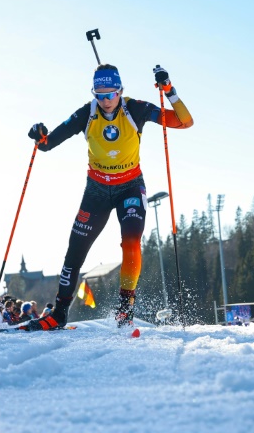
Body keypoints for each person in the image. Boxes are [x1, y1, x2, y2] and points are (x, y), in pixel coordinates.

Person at [25, 64, 193, 331]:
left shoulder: (135, 108)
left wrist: (169, 90)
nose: (104, 101)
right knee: (75, 251)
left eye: (110, 94)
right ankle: (59, 313)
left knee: (131, 243)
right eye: (99, 95)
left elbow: (184, 121)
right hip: (97, 190)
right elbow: (47, 144)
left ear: (120, 90)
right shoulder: (87, 113)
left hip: (130, 187)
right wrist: (39, 134)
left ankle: (125, 310)